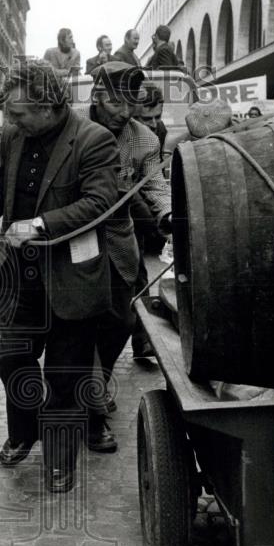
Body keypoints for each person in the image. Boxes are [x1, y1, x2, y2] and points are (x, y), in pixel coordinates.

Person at [0, 60, 119, 494]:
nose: (10, 121)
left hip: (73, 279)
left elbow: (100, 203)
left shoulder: (94, 140)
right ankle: (25, 429)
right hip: (21, 277)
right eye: (8, 114)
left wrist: (38, 225)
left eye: (18, 113)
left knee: (65, 376)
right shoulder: (14, 135)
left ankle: (59, 458)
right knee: (10, 359)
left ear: (51, 107)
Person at [89, 62, 172, 376]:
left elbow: (154, 184)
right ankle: (88, 391)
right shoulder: (70, 126)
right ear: (97, 96)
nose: (125, 112)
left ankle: (101, 375)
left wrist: (168, 213)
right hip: (71, 239)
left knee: (123, 319)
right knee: (75, 322)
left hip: (118, 242)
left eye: (131, 102)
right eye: (115, 102)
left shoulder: (146, 140)